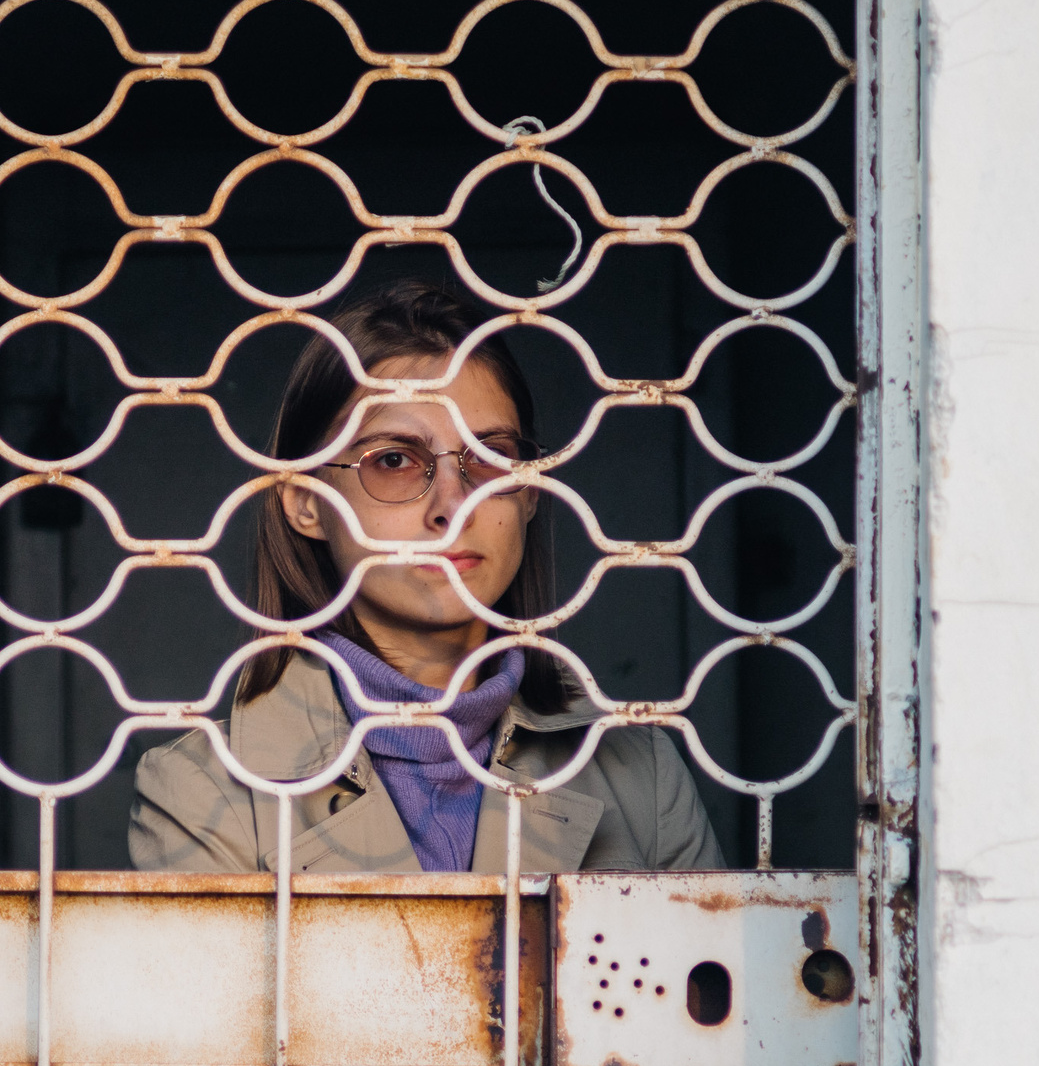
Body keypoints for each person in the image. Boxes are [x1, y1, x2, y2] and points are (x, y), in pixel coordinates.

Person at [127, 280, 724, 876]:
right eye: (394, 460)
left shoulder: (642, 772)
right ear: (306, 501)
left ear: (529, 492)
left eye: (488, 457)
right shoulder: (201, 789)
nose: (455, 506)